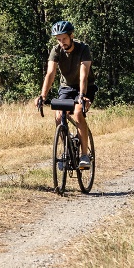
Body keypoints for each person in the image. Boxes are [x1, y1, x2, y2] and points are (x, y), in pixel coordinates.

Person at [36, 20, 97, 169]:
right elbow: (51, 73)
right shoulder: (56, 50)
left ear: (71, 36)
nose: (61, 42)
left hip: (85, 87)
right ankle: (66, 149)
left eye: (64, 38)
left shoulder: (83, 49)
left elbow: (84, 75)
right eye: (58, 39)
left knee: (77, 113)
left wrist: (82, 95)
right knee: (59, 115)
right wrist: (43, 95)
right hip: (66, 87)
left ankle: (84, 155)